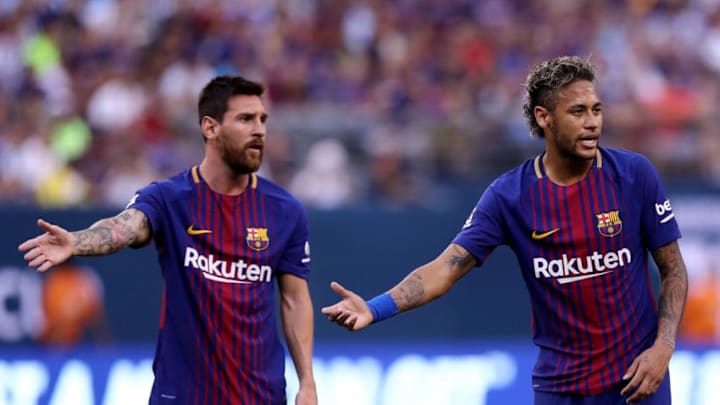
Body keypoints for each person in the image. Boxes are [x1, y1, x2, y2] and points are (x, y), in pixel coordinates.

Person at [321, 56, 688, 405]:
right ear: (544, 117)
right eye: (578, 112)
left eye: (596, 109)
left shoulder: (634, 175)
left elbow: (673, 268)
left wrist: (664, 347)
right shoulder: (510, 196)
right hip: (563, 387)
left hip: (638, 381)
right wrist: (375, 308)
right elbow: (444, 269)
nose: (592, 122)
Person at [19, 76, 318, 405]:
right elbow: (125, 227)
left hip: (260, 397)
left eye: (262, 119)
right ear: (210, 127)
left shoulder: (285, 211)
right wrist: (78, 241)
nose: (259, 130)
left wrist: (307, 381)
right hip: (182, 396)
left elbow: (294, 300)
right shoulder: (169, 199)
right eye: (245, 119)